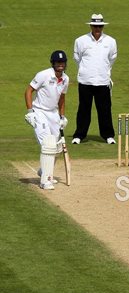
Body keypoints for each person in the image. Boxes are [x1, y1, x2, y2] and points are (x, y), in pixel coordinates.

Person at [24, 50, 70, 190]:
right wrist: (30, 111)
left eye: (62, 62)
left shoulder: (66, 79)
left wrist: (62, 117)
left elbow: (61, 98)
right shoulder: (43, 75)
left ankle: (45, 171)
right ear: (53, 63)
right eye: (57, 62)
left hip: (53, 114)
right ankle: (45, 181)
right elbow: (28, 91)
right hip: (39, 112)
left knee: (56, 147)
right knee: (47, 144)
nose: (60, 65)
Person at [71, 13, 118, 144]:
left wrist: (102, 71)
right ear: (91, 26)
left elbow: (111, 59)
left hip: (103, 81)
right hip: (85, 81)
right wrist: (87, 70)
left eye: (100, 26)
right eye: (95, 26)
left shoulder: (110, 41)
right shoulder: (80, 41)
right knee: (84, 109)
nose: (97, 28)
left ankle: (108, 135)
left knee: (105, 109)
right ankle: (79, 135)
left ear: (103, 26)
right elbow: (77, 59)